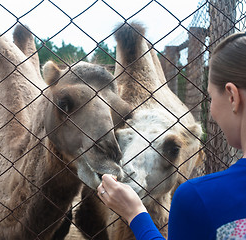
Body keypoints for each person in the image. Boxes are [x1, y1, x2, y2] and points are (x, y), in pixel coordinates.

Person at [97, 32, 246, 240]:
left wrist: (135, 214)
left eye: (210, 97)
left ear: (232, 97)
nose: (211, 107)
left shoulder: (197, 197)